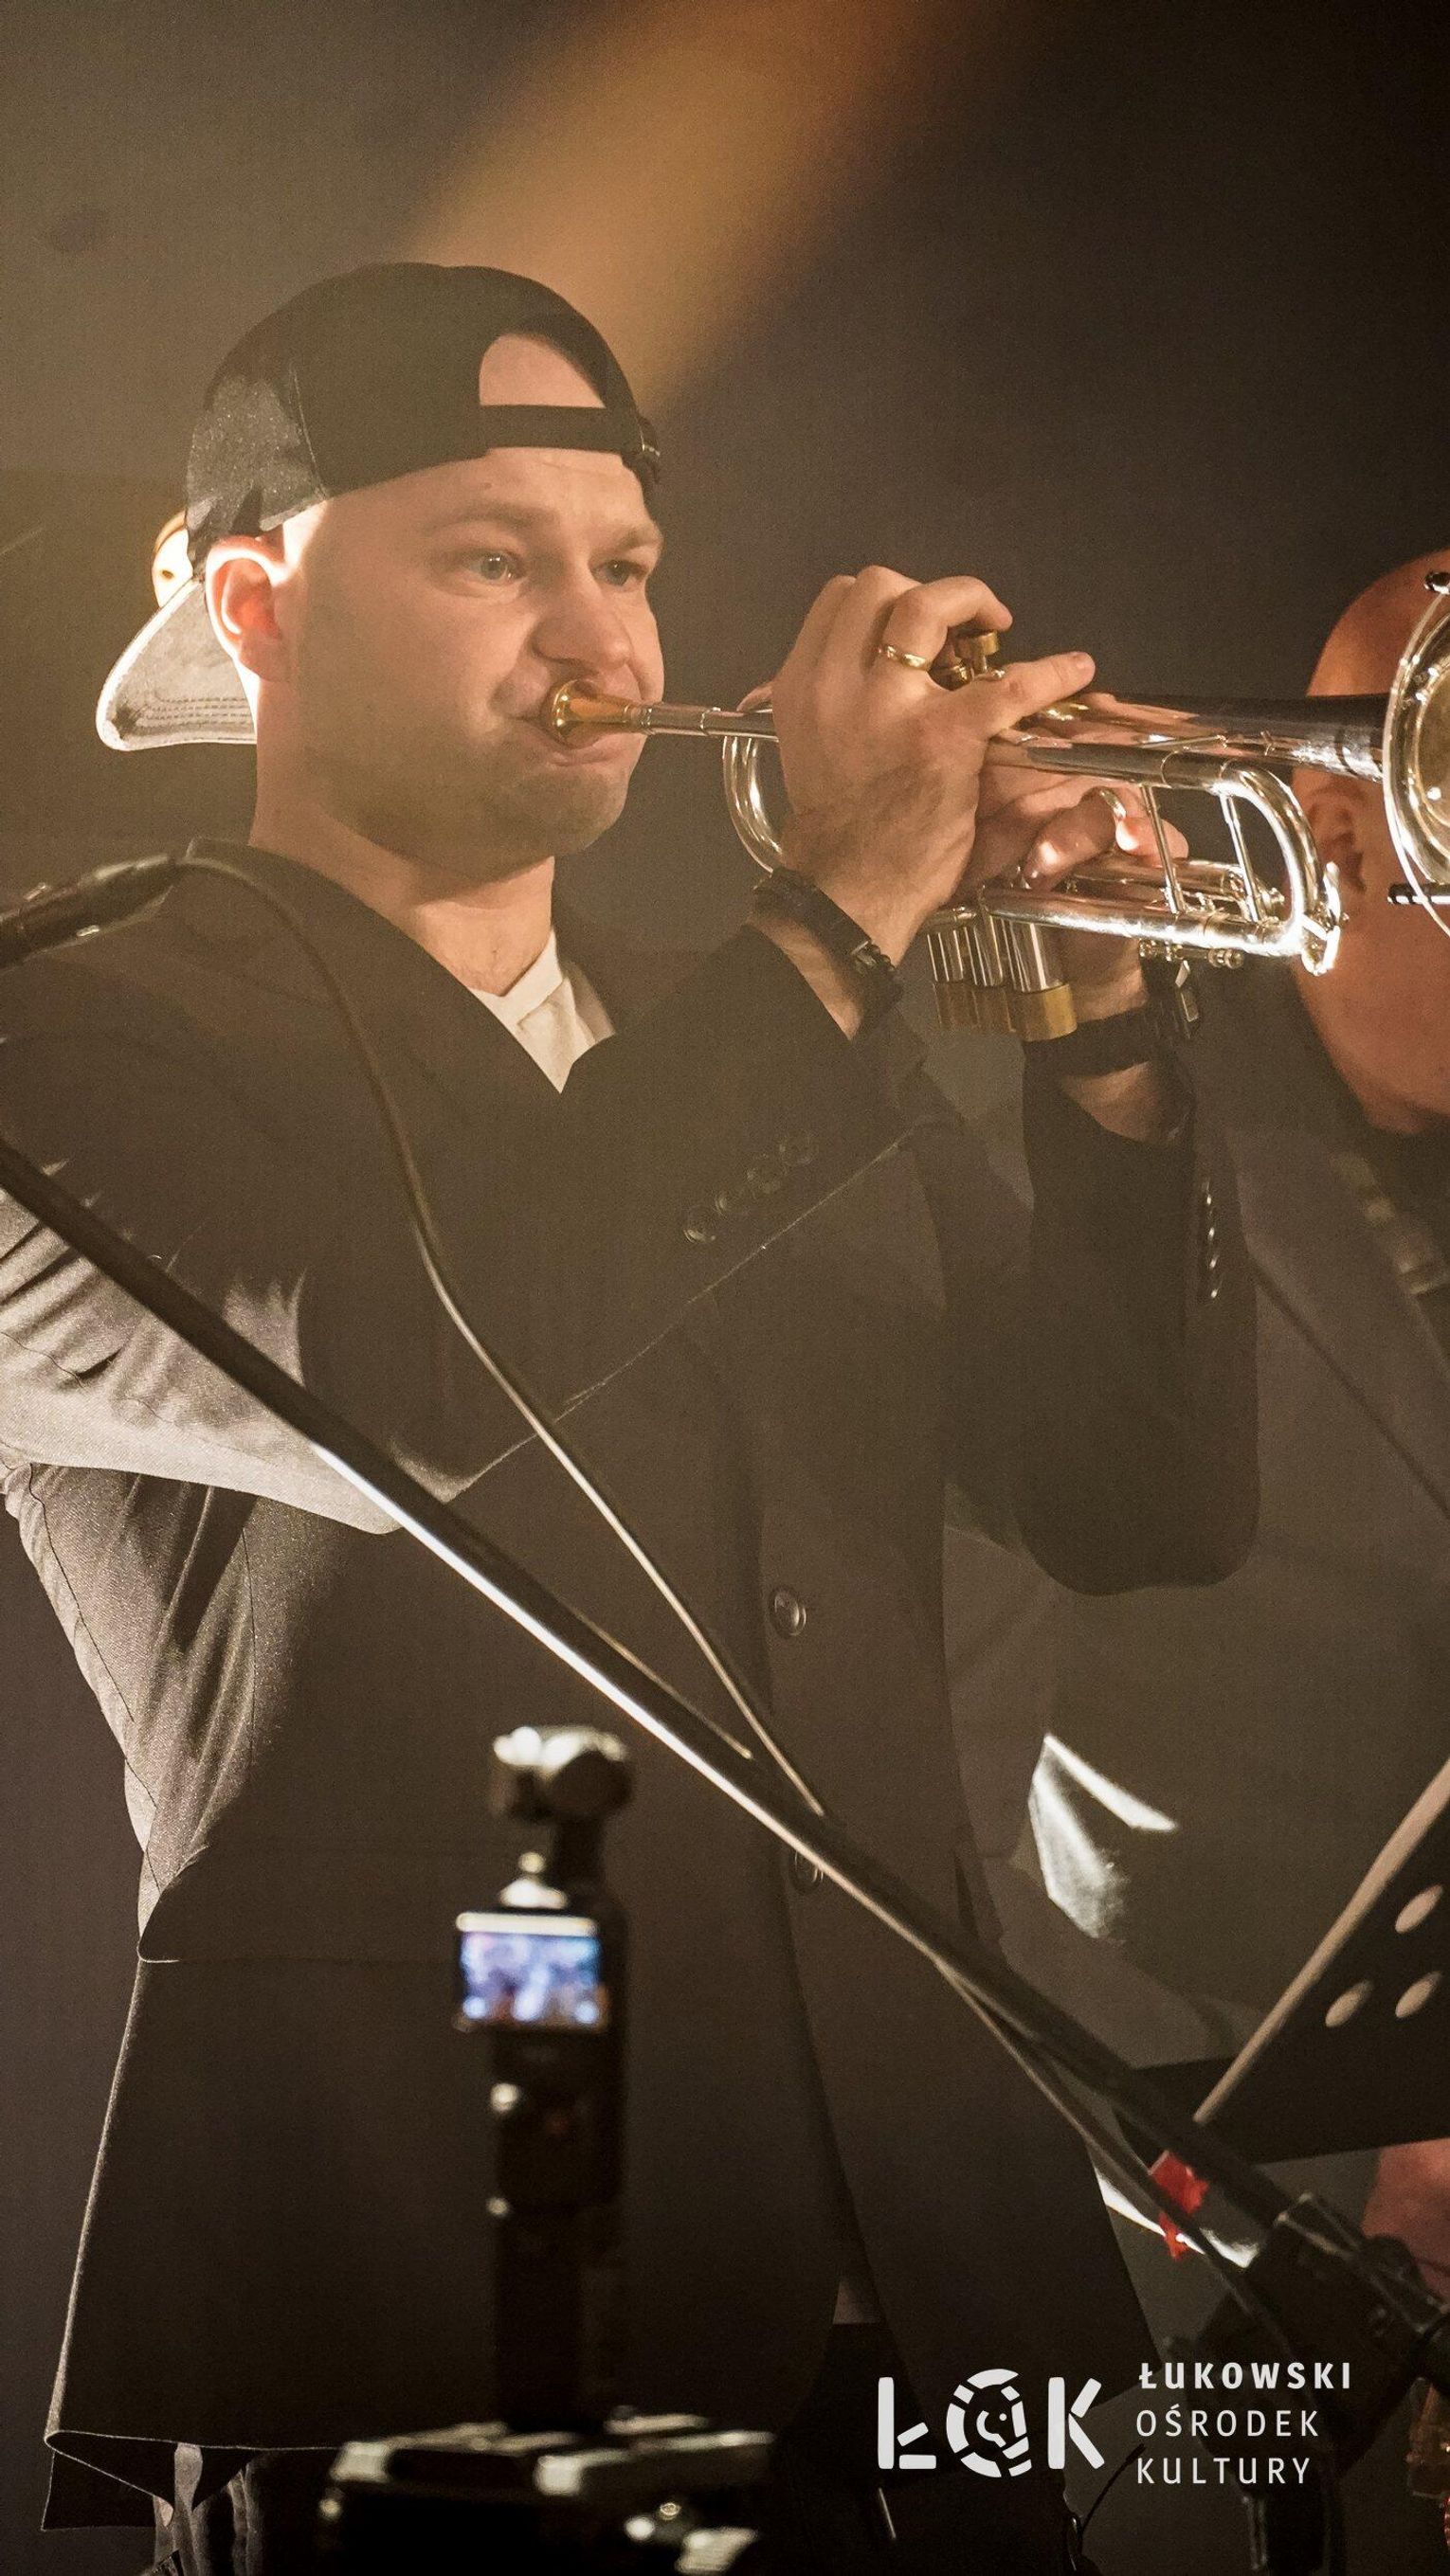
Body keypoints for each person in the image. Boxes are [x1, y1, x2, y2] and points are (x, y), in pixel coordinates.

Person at [0, 263, 1256, 2574]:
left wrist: (1106, 1038)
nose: (600, 633)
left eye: (630, 563)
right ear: (260, 611)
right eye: (496, 559)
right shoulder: (76, 1041)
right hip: (435, 2328)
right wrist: (845, 909)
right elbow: (440, 1375)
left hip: (938, 2316)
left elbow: (1137, 1501)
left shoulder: (762, 1040)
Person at [946, 549, 1450, 2569]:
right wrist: (1294, 2188)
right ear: (1335, 815)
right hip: (1247, 2240)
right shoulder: (1107, 1157)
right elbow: (949, 1825)